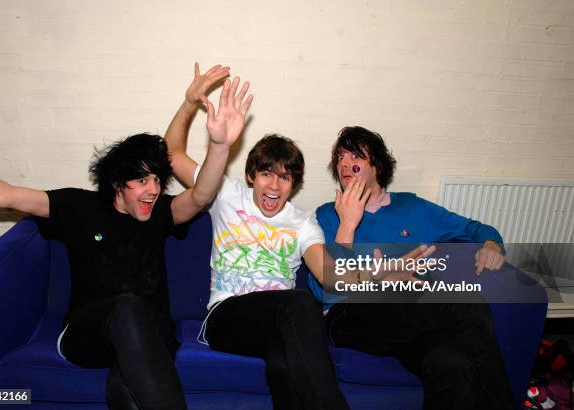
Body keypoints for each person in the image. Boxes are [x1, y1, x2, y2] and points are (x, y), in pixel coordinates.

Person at [0, 63, 252, 410]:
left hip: (150, 335)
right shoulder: (78, 206)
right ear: (117, 183)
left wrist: (219, 147)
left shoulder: (161, 213)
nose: (154, 189)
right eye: (142, 181)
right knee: (128, 306)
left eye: (158, 180)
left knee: (126, 390)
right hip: (89, 334)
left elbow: (202, 196)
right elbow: (6, 195)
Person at [165, 68, 350, 410]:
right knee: (299, 301)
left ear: (294, 184)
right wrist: (189, 103)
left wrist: (384, 275)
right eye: (267, 174)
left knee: (284, 364)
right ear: (251, 175)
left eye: (285, 177)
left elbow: (327, 275)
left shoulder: (302, 223)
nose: (275, 186)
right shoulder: (225, 193)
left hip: (279, 324)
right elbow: (172, 153)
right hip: (226, 317)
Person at [308, 126, 516, 410]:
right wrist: (348, 223)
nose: (345, 164)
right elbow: (327, 289)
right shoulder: (327, 214)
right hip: (351, 317)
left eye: (355, 156)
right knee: (465, 303)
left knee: (451, 361)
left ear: (377, 166)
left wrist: (492, 244)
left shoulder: (414, 209)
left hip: (409, 318)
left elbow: (474, 228)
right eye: (340, 158)